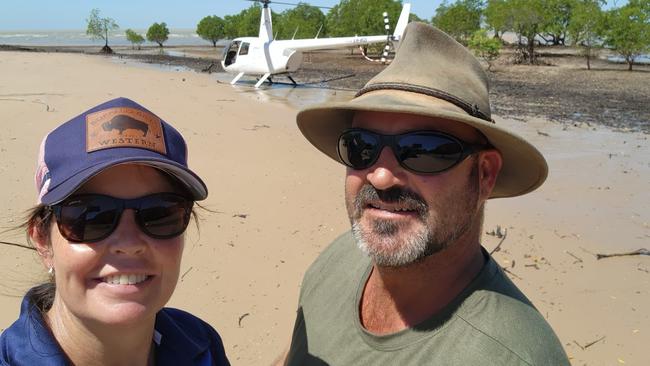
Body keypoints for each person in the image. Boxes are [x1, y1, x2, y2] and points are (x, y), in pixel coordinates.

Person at [281, 23, 570, 365]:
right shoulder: (337, 259)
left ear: (485, 174)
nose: (382, 175)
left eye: (423, 150)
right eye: (361, 147)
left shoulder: (512, 357)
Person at [0, 97, 230, 365]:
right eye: (91, 215)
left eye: (159, 213)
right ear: (43, 241)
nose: (129, 242)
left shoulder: (202, 344)